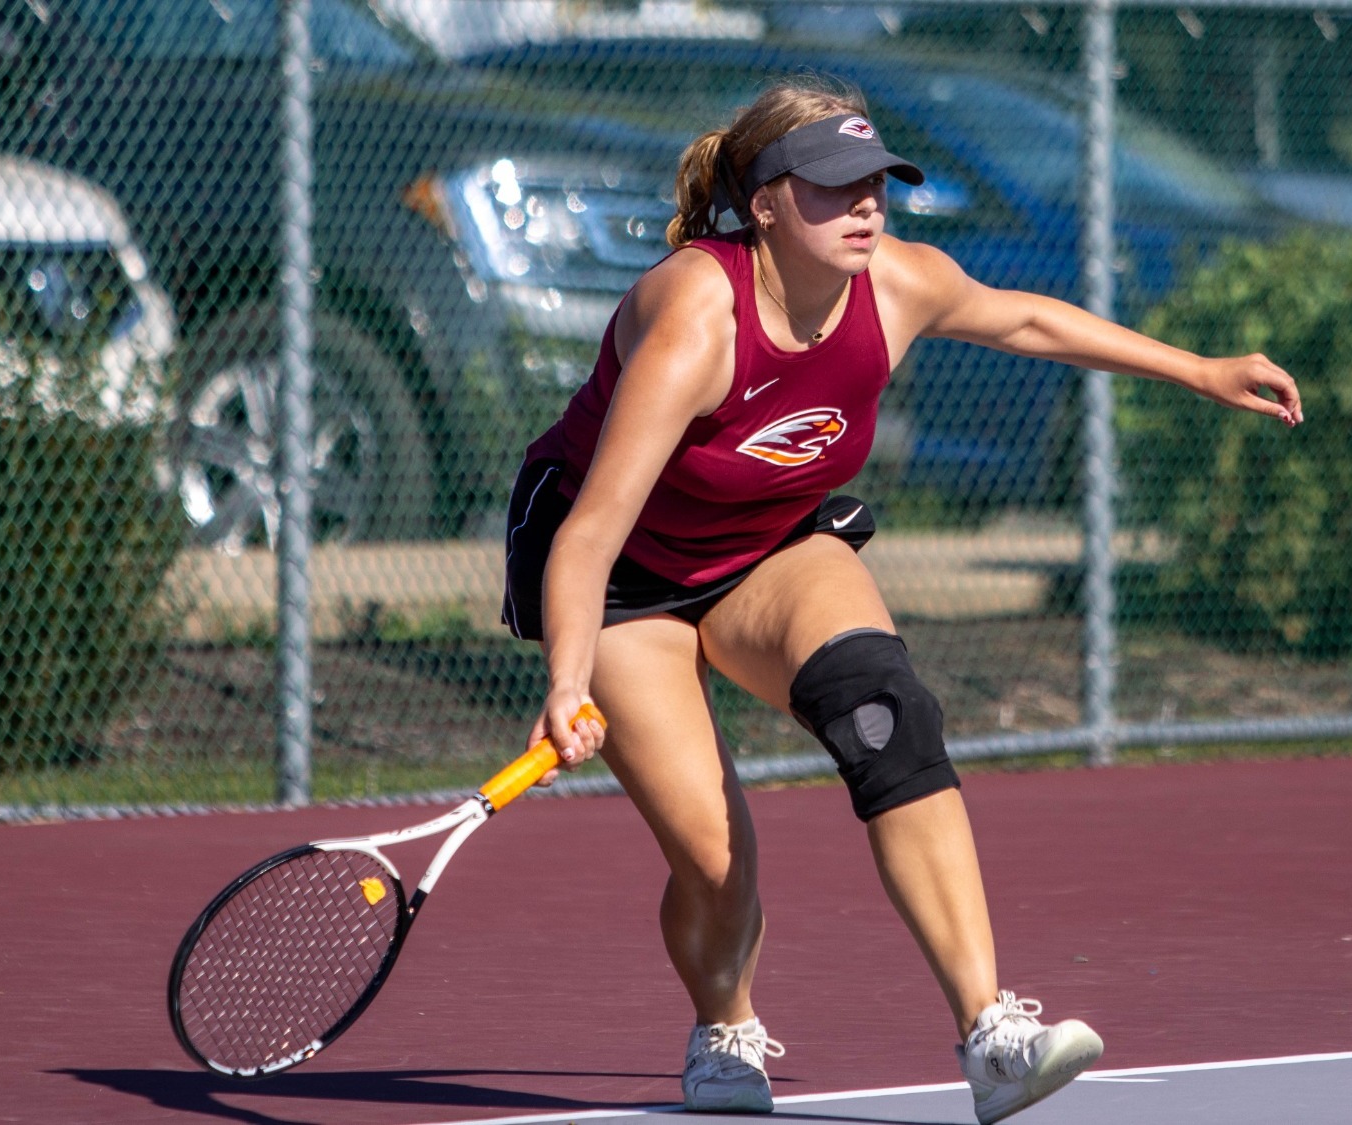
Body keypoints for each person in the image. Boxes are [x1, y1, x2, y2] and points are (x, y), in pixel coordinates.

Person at [502, 76, 1302, 1124]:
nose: (867, 204)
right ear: (765, 204)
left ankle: (990, 1034)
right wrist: (567, 683)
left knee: (885, 710)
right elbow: (591, 531)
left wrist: (1199, 371)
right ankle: (723, 1023)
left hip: (766, 545)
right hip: (627, 582)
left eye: (876, 181)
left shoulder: (898, 284)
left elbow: (1026, 320)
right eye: (836, 186)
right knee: (714, 859)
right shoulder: (697, 318)